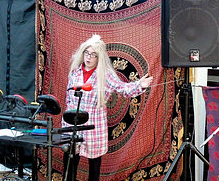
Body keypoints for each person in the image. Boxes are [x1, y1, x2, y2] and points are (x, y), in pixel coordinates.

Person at [61, 34, 153, 181]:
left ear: (99, 58)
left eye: (93, 55)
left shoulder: (105, 75)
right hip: (72, 125)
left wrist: (139, 85)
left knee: (94, 169)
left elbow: (123, 88)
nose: (89, 57)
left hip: (93, 126)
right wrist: (65, 123)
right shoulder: (75, 72)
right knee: (69, 166)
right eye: (87, 53)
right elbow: (68, 100)